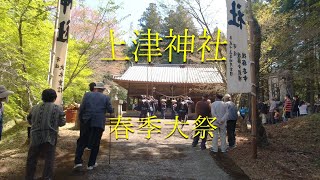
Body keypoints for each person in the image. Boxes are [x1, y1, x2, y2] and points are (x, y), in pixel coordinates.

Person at [25, 89, 66, 180]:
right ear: (54, 98)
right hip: (50, 137)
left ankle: (29, 177)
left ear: (42, 98)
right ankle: (47, 177)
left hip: (35, 136)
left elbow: (29, 120)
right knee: (49, 159)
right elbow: (62, 122)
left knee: (32, 158)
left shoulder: (35, 108)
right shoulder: (58, 108)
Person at [74, 82, 113, 170]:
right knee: (96, 143)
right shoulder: (106, 97)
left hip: (86, 121)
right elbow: (110, 110)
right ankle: (90, 164)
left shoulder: (87, 95)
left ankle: (78, 162)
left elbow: (82, 108)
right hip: (98, 123)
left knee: (82, 141)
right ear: (102, 90)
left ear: (95, 88)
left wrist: (81, 120)